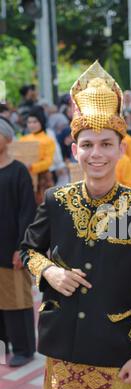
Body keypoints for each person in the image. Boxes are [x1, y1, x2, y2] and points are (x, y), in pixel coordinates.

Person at [20, 61, 131, 389]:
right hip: (65, 347)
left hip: (117, 348)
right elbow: (28, 249)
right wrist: (49, 272)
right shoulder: (56, 201)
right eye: (87, 145)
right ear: (74, 148)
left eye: (105, 145)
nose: (96, 154)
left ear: (121, 148)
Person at [0, 116, 36, 367]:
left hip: (11, 247)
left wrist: (22, 248)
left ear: (8, 138)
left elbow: (27, 212)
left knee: (16, 300)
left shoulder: (18, 171)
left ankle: (23, 349)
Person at [19, 106, 55, 203]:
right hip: (25, 176)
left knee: (41, 205)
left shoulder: (48, 140)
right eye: (29, 122)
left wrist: (33, 167)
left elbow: (48, 161)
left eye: (35, 122)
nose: (32, 125)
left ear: (41, 122)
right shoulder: (23, 139)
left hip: (42, 178)